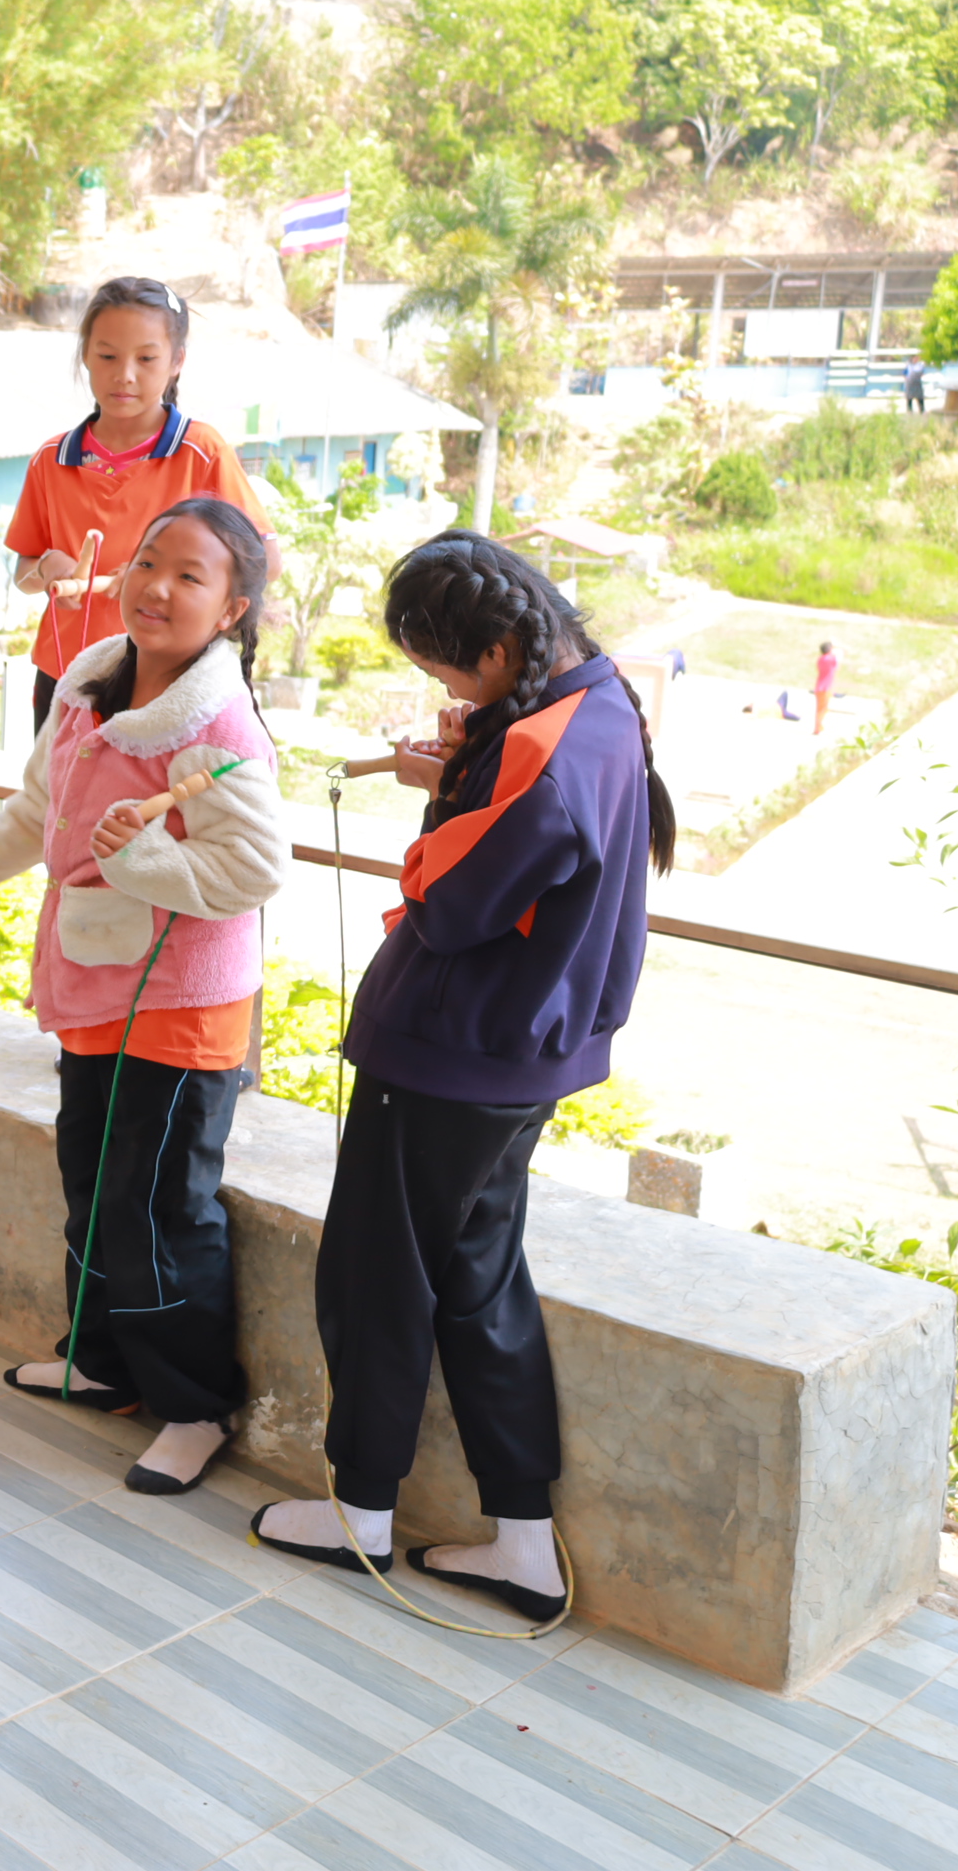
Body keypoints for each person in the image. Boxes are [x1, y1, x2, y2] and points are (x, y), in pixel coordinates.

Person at [253, 528, 671, 1624]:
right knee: (481, 1279)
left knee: (376, 1276)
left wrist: (441, 800)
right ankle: (523, 1538)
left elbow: (449, 902)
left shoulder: (544, 751)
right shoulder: (600, 700)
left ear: (496, 646)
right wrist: (472, 759)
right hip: (523, 1053)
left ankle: (363, 1511)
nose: (444, 689)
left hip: (451, 1051)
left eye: (446, 668)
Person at [0, 500, 288, 1498]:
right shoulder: (88, 681)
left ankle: (195, 1407)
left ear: (232, 609)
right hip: (96, 983)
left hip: (180, 1003)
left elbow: (255, 868)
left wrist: (146, 858)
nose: (156, 586)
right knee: (92, 1181)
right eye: (148, 561)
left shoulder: (216, 726)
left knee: (158, 1208)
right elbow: (37, 815)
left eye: (190, 576)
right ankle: (106, 1361)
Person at [7, 278, 279, 735]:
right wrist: (47, 568)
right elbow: (24, 573)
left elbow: (266, 562)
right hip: (64, 676)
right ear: (85, 355)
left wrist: (161, 579)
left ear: (177, 361)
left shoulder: (202, 451)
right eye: (107, 356)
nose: (125, 375)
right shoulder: (50, 459)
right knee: (57, 783)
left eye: (147, 358)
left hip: (168, 681)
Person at [813, 639, 838, 736]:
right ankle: (818, 727)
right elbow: (837, 659)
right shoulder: (830, 659)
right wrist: (835, 646)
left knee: (821, 708)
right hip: (825, 688)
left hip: (820, 687)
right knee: (823, 709)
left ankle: (818, 727)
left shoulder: (821, 659)